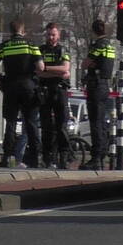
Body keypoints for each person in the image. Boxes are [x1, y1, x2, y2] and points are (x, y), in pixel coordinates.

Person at [0, 19, 44, 168]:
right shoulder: (31, 45)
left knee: (11, 122)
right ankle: (34, 158)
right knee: (31, 123)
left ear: (10, 31)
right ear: (23, 31)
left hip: (10, 87)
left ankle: (6, 158)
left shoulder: (4, 46)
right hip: (28, 87)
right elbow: (41, 67)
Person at [80, 18, 114, 170]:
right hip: (105, 84)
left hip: (95, 85)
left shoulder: (97, 45)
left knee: (95, 122)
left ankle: (96, 158)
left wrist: (91, 63)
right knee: (101, 122)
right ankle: (102, 154)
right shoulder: (110, 46)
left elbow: (85, 63)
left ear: (93, 31)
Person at [38, 22, 72, 169]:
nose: (51, 37)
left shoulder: (63, 49)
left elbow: (65, 68)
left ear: (58, 35)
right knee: (46, 126)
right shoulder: (40, 50)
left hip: (59, 91)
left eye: (53, 34)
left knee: (61, 126)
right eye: (48, 34)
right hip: (45, 90)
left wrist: (46, 68)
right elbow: (38, 71)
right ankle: (47, 157)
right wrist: (57, 72)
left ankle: (63, 157)